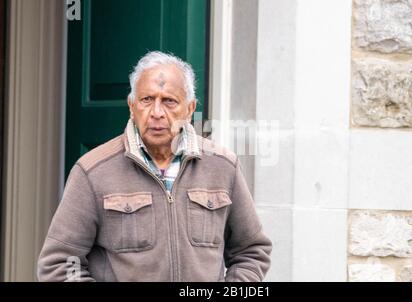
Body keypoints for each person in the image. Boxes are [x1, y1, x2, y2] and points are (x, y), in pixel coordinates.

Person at [37, 51, 272, 282]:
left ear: (190, 109)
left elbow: (251, 252)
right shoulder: (93, 171)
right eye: (147, 100)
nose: (157, 113)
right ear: (131, 105)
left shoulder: (223, 167)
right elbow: (59, 265)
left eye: (169, 101)